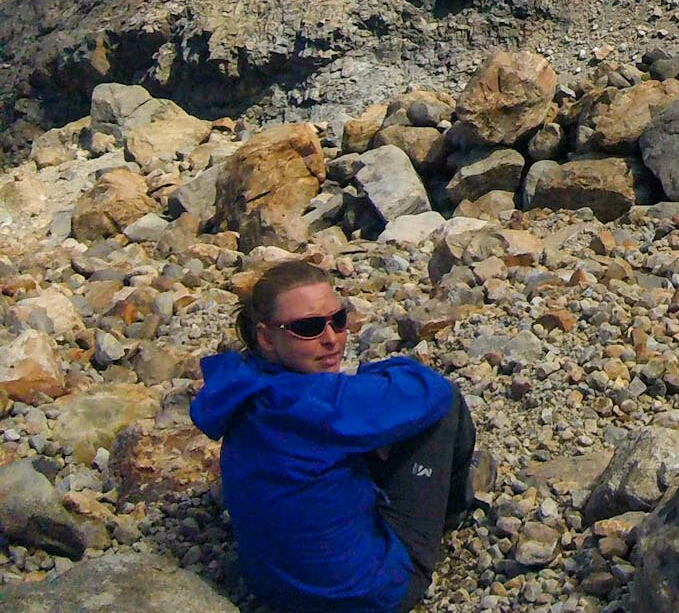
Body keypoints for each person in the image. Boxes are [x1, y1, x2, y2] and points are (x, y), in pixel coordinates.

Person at [191, 260, 481, 613]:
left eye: (338, 320)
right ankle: (449, 516)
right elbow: (433, 390)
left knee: (366, 428)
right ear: (266, 338)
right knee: (443, 409)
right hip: (368, 595)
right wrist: (373, 373)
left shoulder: (241, 388)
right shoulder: (323, 403)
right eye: (308, 328)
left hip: (272, 589)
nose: (331, 339)